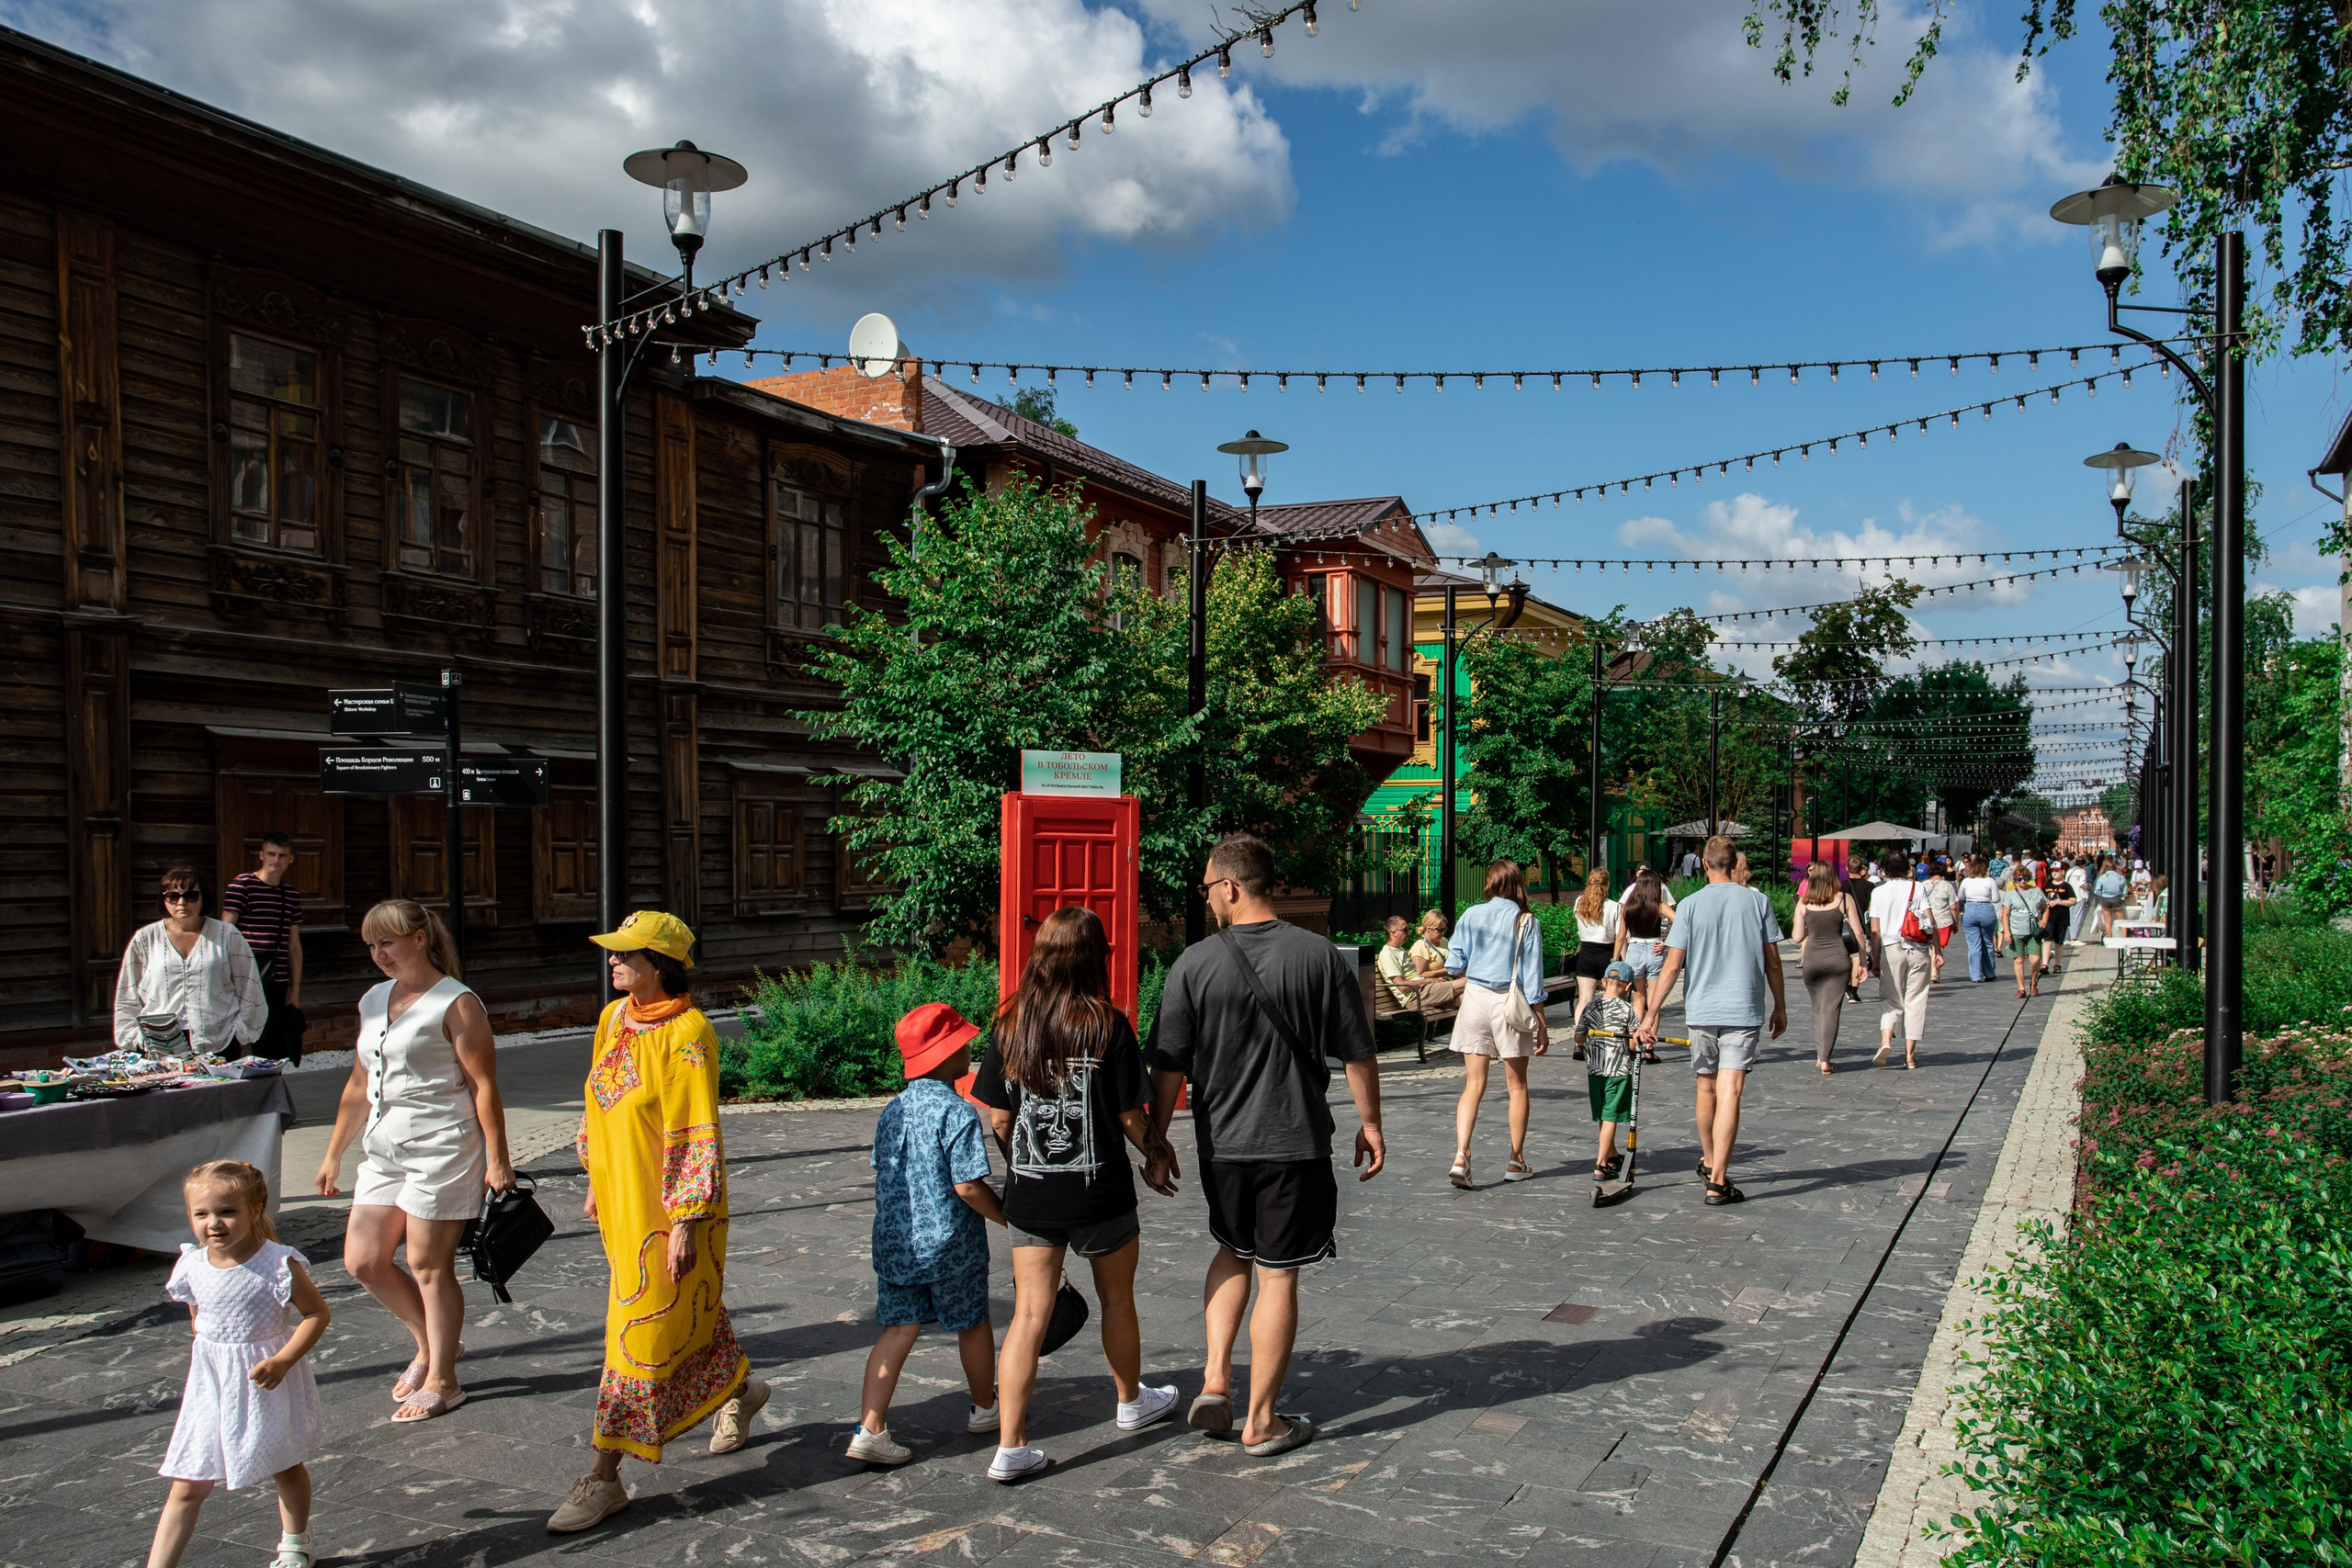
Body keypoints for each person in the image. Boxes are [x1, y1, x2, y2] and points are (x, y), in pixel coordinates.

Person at [1145, 832, 1384, 1459]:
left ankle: (1216, 1377)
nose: (1207, 898)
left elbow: (1167, 1064)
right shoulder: (1320, 956)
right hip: (1294, 1143)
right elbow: (1357, 1050)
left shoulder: (1192, 964)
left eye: (1206, 887)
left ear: (1230, 886)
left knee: (1231, 1249)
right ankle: (1260, 1419)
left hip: (1222, 1145)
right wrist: (1372, 1121)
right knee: (1279, 1275)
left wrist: (1156, 1137)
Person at [548, 912, 764, 1533]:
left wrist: (688, 1223)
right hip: (623, 1204)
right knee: (683, 1312)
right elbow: (597, 1100)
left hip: (673, 1212)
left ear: (660, 963)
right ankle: (741, 1392)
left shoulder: (690, 1032)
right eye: (613, 953)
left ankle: (604, 1476)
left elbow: (698, 1131)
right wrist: (595, 1176)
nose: (612, 962)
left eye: (626, 954)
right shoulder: (613, 1018)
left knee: (636, 1334)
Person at [973, 908, 1180, 1483]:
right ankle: (1130, 1401)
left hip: (1032, 1196)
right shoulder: (1107, 1025)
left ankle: (1010, 1446)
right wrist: (1156, 1153)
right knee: (1118, 1300)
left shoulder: (1010, 1025)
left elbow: (996, 1113)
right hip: (1100, 1194)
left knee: (1029, 1314)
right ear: (1094, 958)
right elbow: (1128, 1117)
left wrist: (1023, 1162)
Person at [314, 899, 514, 1426]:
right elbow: (360, 1082)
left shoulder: (457, 1002)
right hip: (383, 1150)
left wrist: (498, 1159)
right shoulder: (374, 999)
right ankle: (431, 1346)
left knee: (427, 1264)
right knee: (363, 1260)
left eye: (388, 942)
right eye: (372, 945)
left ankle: (444, 1380)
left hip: (442, 1147)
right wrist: (335, 1151)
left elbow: (483, 1086)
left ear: (420, 938)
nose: (379, 954)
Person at [146, 1160, 328, 1568]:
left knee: (285, 1462)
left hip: (265, 1378)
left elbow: (316, 1314)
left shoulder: (278, 1264)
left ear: (255, 1210)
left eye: (227, 1212)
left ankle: (295, 1542)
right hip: (211, 1385)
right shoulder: (192, 1264)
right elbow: (199, 1316)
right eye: (201, 1214)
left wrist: (282, 1360)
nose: (214, 1223)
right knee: (188, 1480)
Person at [852, 1002, 1005, 1472]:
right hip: (951, 1245)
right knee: (972, 1322)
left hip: (897, 1242)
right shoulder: (957, 1112)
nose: (970, 1050)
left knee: (899, 1328)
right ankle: (984, 1408)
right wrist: (1005, 1216)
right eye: (962, 1045)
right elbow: (968, 1186)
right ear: (944, 1057)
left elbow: (886, 1173)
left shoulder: (892, 1111)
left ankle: (871, 1428)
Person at [1634, 835, 1786, 1205]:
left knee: (1705, 1087)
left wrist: (1651, 1015)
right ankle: (1718, 1179)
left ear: (1704, 865)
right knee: (1730, 1090)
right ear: (1735, 865)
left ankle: (1708, 1157)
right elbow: (1773, 960)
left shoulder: (1689, 905)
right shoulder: (1757, 901)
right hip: (1742, 1007)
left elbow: (1672, 965)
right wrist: (1780, 1004)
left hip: (1701, 1008)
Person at [1441, 861, 1552, 1188]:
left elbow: (1454, 963)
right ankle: (1516, 1160)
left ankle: (1462, 1154)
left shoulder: (1472, 914)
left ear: (1490, 882)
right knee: (1516, 1085)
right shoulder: (1526, 920)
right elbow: (1532, 979)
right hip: (1510, 1002)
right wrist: (1541, 1023)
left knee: (1473, 1085)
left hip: (1475, 998)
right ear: (1518, 884)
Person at [113, 865, 266, 1058]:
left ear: (203, 898)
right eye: (173, 896)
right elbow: (127, 994)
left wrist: (239, 1032)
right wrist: (135, 1037)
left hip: (218, 1040)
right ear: (164, 899)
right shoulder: (145, 938)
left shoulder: (227, 935)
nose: (182, 902)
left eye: (191, 895)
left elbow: (250, 987)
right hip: (159, 1044)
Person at [220, 832, 305, 1062]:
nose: (275, 860)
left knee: (269, 1042)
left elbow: (294, 945)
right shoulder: (243, 885)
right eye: (271, 854)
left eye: (282, 855)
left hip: (275, 979)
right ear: (261, 855)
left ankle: (263, 1088)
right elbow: (226, 932)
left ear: (291, 859)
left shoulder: (290, 895)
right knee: (237, 1037)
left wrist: (294, 989)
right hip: (245, 976)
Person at [1794, 863, 1868, 1074]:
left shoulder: (1804, 902)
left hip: (1812, 960)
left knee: (1817, 1008)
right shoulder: (1844, 899)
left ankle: (1820, 1055)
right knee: (1831, 1009)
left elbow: (1798, 936)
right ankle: (1825, 1058)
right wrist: (1862, 961)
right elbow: (1859, 932)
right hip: (1838, 959)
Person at [1576, 962, 1640, 1182]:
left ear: (1603, 982)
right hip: (1619, 1070)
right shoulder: (1628, 1009)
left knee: (1603, 1114)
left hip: (1595, 1069)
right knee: (1611, 1116)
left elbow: (1578, 1037)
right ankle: (1600, 1164)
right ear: (1629, 986)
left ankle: (1611, 1154)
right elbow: (1632, 1045)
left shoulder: (1590, 1006)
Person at [1869, 853, 1933, 1068]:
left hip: (1890, 948)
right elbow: (1929, 921)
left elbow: (1875, 931)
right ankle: (1910, 1056)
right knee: (1916, 999)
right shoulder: (1918, 887)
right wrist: (1939, 951)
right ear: (1907, 868)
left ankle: (1886, 1040)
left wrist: (1875, 958)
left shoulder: (1878, 892)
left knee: (1891, 998)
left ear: (1884, 869)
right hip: (1917, 947)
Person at [1614, 871, 1672, 1063]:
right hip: (1655, 949)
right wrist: (1667, 942)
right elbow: (1681, 922)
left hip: (1635, 950)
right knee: (1654, 1004)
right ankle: (1649, 1049)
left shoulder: (1628, 907)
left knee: (1638, 1000)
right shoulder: (1658, 905)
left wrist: (1615, 959)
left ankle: (1633, 1044)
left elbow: (1621, 936)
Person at [1569, 868, 1622, 1020]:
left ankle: (1579, 1037)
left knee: (1584, 999)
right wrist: (1616, 959)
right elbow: (1619, 936)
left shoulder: (1579, 902)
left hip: (1586, 953)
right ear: (1608, 884)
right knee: (1611, 1000)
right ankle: (1607, 1034)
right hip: (1607, 953)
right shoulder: (1614, 906)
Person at [1998, 871, 2047, 998]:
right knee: (2019, 960)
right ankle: (2021, 988)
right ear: (2015, 880)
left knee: (2035, 960)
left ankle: (2033, 983)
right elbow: (2005, 914)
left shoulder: (2037, 891)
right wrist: (2006, 932)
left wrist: (2044, 920)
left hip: (2033, 931)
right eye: (2019, 879)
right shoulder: (2011, 895)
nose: (2023, 881)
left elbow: (2045, 908)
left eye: (2025, 878)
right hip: (2016, 931)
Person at [1407, 910, 1464, 1008]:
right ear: (1428, 929)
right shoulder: (1421, 947)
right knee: (1471, 982)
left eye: (1445, 929)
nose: (1443, 933)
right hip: (1434, 990)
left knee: (1470, 997)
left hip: (1449, 984)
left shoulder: (1444, 941)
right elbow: (1419, 975)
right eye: (1439, 930)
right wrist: (1445, 971)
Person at [1957, 857, 2000, 982]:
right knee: (1988, 942)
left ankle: (1976, 975)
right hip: (1986, 908)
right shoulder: (1990, 881)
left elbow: (1960, 897)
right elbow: (1996, 899)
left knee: (1973, 944)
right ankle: (1989, 973)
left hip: (1970, 908)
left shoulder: (1966, 881)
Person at [2040, 871, 2077, 980]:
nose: (2054, 873)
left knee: (2059, 942)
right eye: (2052, 871)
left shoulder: (2066, 886)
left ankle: (2057, 964)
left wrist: (2058, 902)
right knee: (2047, 940)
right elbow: (2041, 899)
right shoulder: (2047, 886)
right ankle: (2045, 964)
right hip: (2048, 917)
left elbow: (2073, 901)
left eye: (2057, 871)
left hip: (2062, 917)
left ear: (2062, 872)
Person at [1925, 862, 1958, 983]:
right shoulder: (1947, 886)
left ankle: (1929, 970)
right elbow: (1953, 906)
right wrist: (1955, 923)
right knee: (1939, 946)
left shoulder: (1923, 885)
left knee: (1927, 946)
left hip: (1926, 920)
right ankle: (1935, 971)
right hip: (1943, 920)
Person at [2092, 858, 2131, 942]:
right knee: (2121, 921)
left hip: (2105, 898)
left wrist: (2103, 894)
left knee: (2108, 921)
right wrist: (2122, 897)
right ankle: (2123, 938)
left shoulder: (2102, 877)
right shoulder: (2120, 877)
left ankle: (2110, 939)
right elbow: (2125, 890)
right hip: (2116, 898)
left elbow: (2097, 891)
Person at [2064, 857, 2093, 943]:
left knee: (2070, 917)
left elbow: (2066, 882)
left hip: (2070, 896)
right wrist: (2088, 887)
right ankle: (2074, 938)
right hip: (2079, 895)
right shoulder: (2082, 871)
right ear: (2083, 865)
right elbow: (2082, 883)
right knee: (2077, 917)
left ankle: (2066, 938)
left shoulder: (2069, 871)